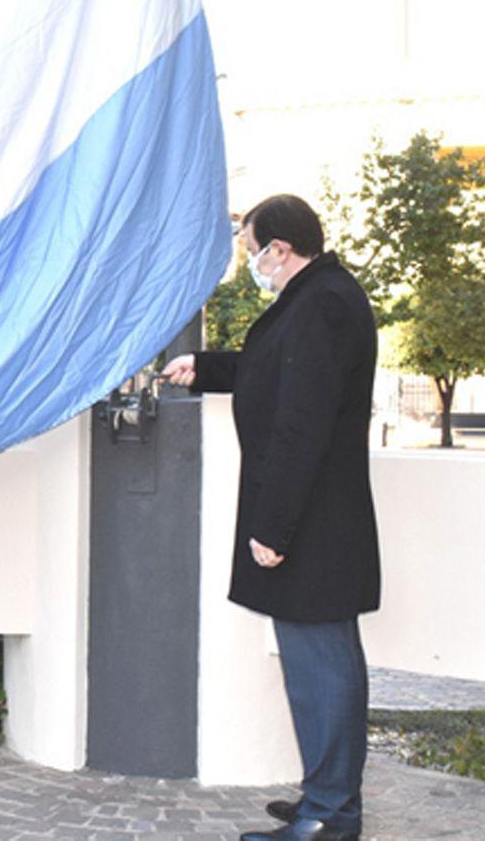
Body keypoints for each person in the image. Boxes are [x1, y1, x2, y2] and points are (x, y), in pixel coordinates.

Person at [164, 195, 378, 841]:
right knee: (322, 666)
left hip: (311, 525)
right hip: (316, 522)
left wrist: (271, 527)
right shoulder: (319, 298)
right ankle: (326, 795)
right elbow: (270, 372)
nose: (251, 262)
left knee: (323, 672)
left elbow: (301, 423)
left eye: (253, 248)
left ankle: (331, 815)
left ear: (279, 249)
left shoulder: (321, 306)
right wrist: (202, 368)